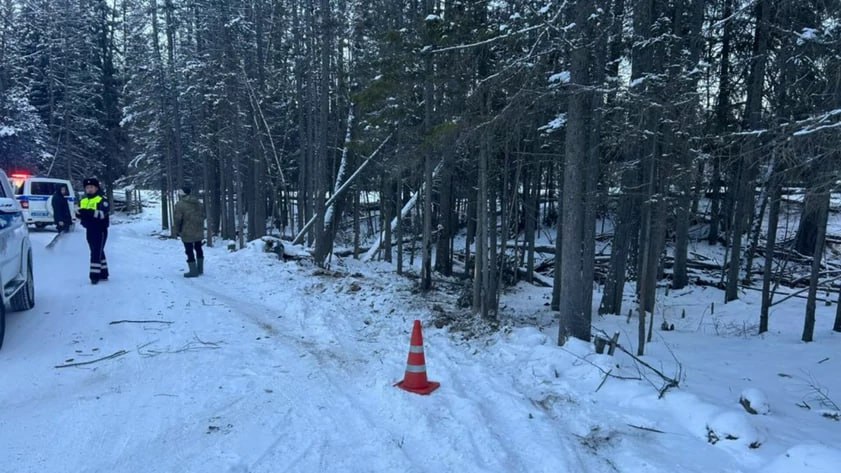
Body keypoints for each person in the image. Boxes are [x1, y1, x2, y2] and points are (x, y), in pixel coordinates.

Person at [76, 178, 110, 284]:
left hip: (100, 229)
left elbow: (101, 215)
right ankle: (104, 273)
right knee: (97, 251)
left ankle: (94, 276)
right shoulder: (83, 200)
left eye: (91, 187)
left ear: (96, 188)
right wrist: (81, 214)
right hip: (89, 229)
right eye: (87, 188)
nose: (89, 189)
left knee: (95, 252)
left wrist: (87, 212)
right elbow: (78, 214)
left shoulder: (102, 200)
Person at [173, 186, 205, 278]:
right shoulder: (198, 203)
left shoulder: (180, 204)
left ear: (182, 193)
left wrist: (176, 230)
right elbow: (203, 215)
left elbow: (177, 219)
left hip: (187, 230)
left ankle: (193, 271)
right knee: (199, 248)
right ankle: (200, 269)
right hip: (198, 229)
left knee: (189, 250)